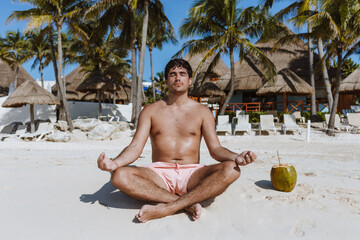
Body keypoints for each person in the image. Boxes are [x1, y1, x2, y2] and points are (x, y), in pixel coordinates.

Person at [97, 59, 257, 223]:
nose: (177, 78)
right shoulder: (150, 111)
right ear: (166, 81)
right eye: (173, 74)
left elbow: (215, 149)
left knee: (232, 169)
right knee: (118, 176)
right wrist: (114, 163)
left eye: (182, 74)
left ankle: (168, 207)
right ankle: (186, 204)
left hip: (192, 173)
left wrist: (237, 157)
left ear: (189, 81)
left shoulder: (202, 112)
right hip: (158, 173)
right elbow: (136, 146)